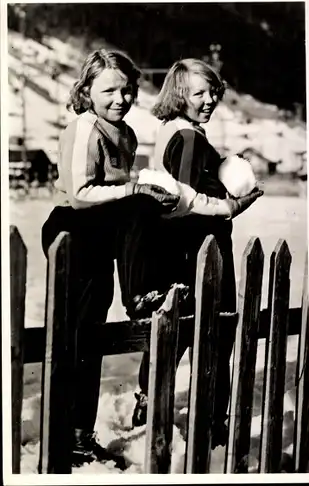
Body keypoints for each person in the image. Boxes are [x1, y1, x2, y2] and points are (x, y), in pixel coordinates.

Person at [41, 48, 180, 467]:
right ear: (86, 91)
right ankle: (139, 295)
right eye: (110, 90)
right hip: (75, 230)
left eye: (129, 90)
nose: (122, 99)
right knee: (75, 337)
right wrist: (134, 193)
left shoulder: (126, 133)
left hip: (103, 232)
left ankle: (82, 436)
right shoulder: (84, 127)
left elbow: (121, 188)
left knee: (91, 341)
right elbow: (82, 194)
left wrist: (144, 188)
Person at [132, 58, 263, 449]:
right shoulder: (188, 137)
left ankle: (147, 403)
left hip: (177, 250)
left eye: (213, 92)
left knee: (174, 334)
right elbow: (184, 198)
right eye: (199, 93)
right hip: (198, 250)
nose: (210, 100)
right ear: (178, 94)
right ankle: (213, 422)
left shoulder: (175, 130)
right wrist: (231, 205)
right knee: (215, 332)